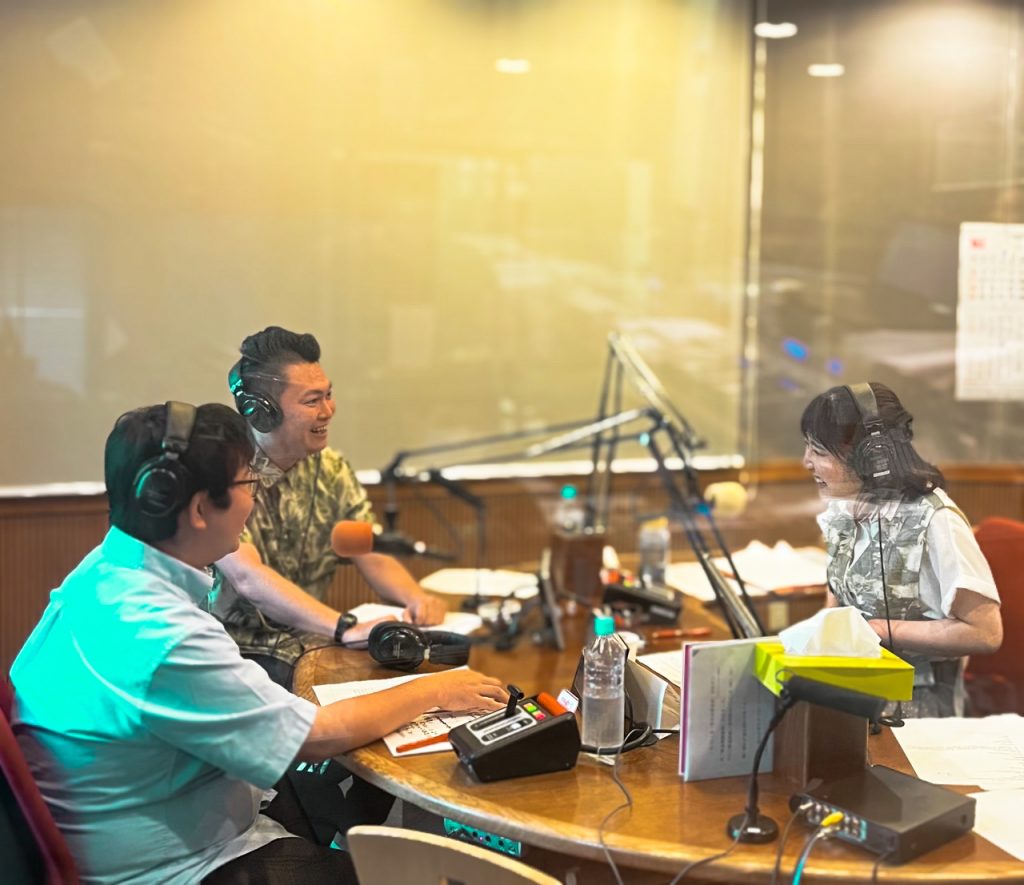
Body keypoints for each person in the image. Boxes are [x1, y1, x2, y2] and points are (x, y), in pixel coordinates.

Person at [9, 402, 506, 884]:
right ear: (199, 509)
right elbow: (314, 736)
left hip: (146, 823)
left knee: (350, 796)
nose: (255, 498)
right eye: (249, 483)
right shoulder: (163, 634)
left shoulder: (103, 571)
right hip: (182, 867)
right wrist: (436, 689)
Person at [212, 326, 449, 687]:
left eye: (329, 395)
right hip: (235, 656)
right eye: (312, 401)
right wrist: (343, 628)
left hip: (312, 645)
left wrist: (415, 598)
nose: (328, 411)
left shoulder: (331, 469)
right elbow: (248, 577)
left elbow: (367, 549)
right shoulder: (222, 471)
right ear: (262, 412)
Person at [800, 382, 1003, 717]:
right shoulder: (844, 509)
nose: (806, 461)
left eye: (819, 451)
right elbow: (837, 596)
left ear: (871, 454)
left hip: (916, 713)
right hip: (852, 698)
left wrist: (881, 629)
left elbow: (986, 633)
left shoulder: (937, 521)